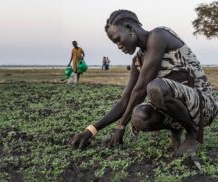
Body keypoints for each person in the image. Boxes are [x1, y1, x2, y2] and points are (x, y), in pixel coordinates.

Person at [70, 10, 218, 154]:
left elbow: (140, 90)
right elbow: (125, 101)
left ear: (129, 28)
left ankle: (194, 134)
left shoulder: (158, 35)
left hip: (203, 105)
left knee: (156, 88)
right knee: (138, 116)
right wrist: (90, 131)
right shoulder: (137, 60)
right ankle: (176, 130)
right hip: (181, 109)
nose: (119, 46)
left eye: (118, 39)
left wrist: (121, 127)